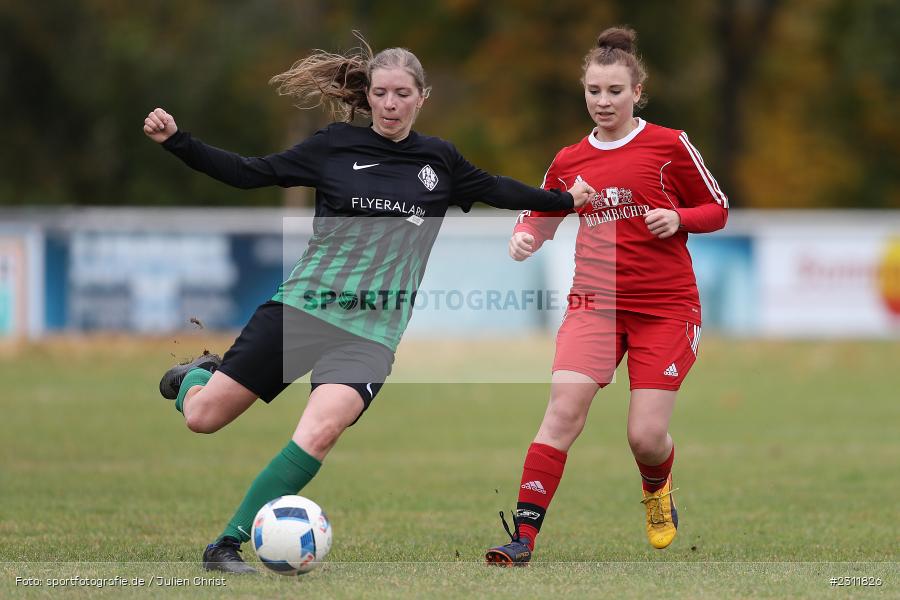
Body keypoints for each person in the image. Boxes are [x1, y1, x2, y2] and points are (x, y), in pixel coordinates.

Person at [143, 36, 594, 574]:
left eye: (402, 94)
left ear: (421, 97)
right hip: (304, 310)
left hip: (371, 333)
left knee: (320, 431)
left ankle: (227, 544)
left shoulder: (440, 160)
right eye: (381, 93)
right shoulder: (334, 145)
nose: (389, 104)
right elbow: (249, 172)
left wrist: (567, 202)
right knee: (202, 417)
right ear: (370, 96)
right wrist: (177, 141)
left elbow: (499, 188)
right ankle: (196, 379)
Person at [485, 26, 728, 565]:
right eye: (594, 91)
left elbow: (717, 209)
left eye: (614, 91)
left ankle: (656, 490)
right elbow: (545, 210)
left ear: (637, 92)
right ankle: (521, 539)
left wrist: (679, 216)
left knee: (645, 436)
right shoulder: (570, 158)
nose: (603, 101)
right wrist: (526, 234)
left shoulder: (669, 145)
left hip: (665, 309)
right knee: (562, 411)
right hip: (593, 304)